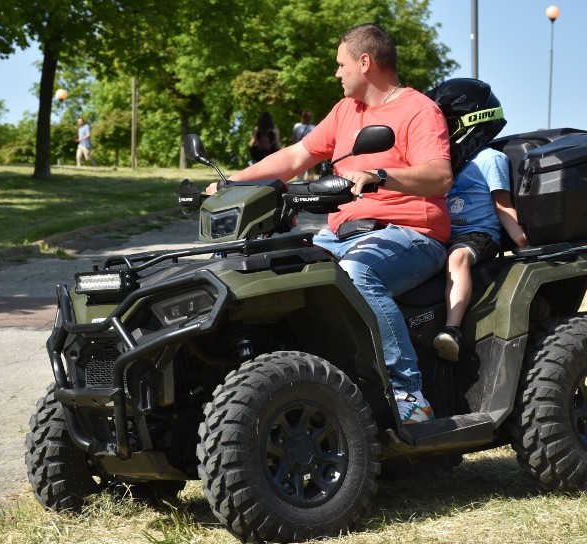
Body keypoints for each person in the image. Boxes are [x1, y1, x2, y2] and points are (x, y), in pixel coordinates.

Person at [209, 23, 453, 424]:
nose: (336, 73)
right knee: (276, 270)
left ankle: (409, 395)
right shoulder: (345, 112)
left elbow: (440, 175)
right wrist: (228, 183)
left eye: (341, 65)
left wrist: (380, 175)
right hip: (341, 234)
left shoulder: (418, 110)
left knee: (357, 273)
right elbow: (292, 158)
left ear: (364, 62)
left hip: (412, 235)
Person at [426, 79, 529, 362]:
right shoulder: (448, 165)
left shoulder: (490, 159)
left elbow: (503, 206)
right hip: (449, 233)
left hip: (478, 235)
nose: (439, 132)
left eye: (446, 124)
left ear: (468, 122)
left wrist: (521, 239)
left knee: (457, 259)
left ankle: (452, 329)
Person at [292, 111, 316, 180]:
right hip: (310, 149)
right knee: (310, 168)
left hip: (298, 149)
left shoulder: (297, 126)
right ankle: (311, 183)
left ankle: (299, 182)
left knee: (300, 167)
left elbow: (293, 139)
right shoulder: (313, 127)